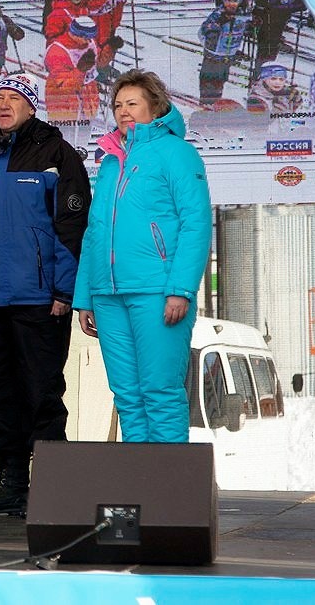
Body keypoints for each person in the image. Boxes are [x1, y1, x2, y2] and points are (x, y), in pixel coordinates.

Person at [0, 75, 91, 517]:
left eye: (14, 98)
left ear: (32, 106)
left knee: (41, 392)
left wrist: (64, 291)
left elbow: (71, 231)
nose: (4, 105)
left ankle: (55, 487)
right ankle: (12, 481)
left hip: (40, 300)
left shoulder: (56, 154)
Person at [73, 71, 211, 442]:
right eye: (118, 105)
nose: (123, 111)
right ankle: (140, 488)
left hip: (156, 290)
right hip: (107, 295)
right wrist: (85, 297)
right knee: (127, 397)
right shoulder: (110, 162)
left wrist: (181, 289)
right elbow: (94, 230)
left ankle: (167, 493)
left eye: (132, 103)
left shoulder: (177, 153)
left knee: (160, 393)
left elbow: (196, 223)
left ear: (155, 106)